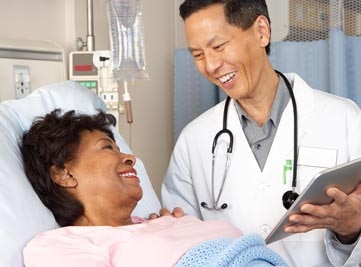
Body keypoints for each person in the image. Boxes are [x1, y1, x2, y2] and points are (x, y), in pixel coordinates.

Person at [161, 0, 361, 266]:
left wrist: (351, 228)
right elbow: (183, 249)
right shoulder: (194, 140)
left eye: (218, 46)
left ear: (261, 32)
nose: (209, 66)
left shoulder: (343, 118)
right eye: (198, 55)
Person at [20, 109, 287, 267]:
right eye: (107, 147)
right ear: (64, 174)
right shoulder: (58, 246)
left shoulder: (163, 221)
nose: (130, 158)